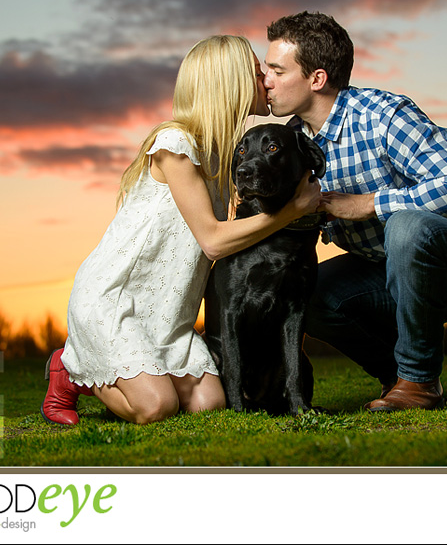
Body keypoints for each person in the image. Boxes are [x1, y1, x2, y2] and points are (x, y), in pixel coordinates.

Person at [41, 35, 322, 425]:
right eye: (259, 74)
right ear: (232, 84)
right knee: (156, 407)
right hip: (116, 299)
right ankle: (71, 370)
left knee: (210, 404)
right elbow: (212, 240)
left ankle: (130, 369)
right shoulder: (175, 144)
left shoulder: (227, 156)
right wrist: (291, 212)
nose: (268, 82)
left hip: (168, 311)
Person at [263, 11, 447, 412]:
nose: (266, 81)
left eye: (275, 69)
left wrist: (370, 204)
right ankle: (396, 380)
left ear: (317, 79)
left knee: (407, 227)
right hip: (383, 271)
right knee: (301, 290)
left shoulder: (383, 116)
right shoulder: (290, 143)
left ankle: (419, 382)